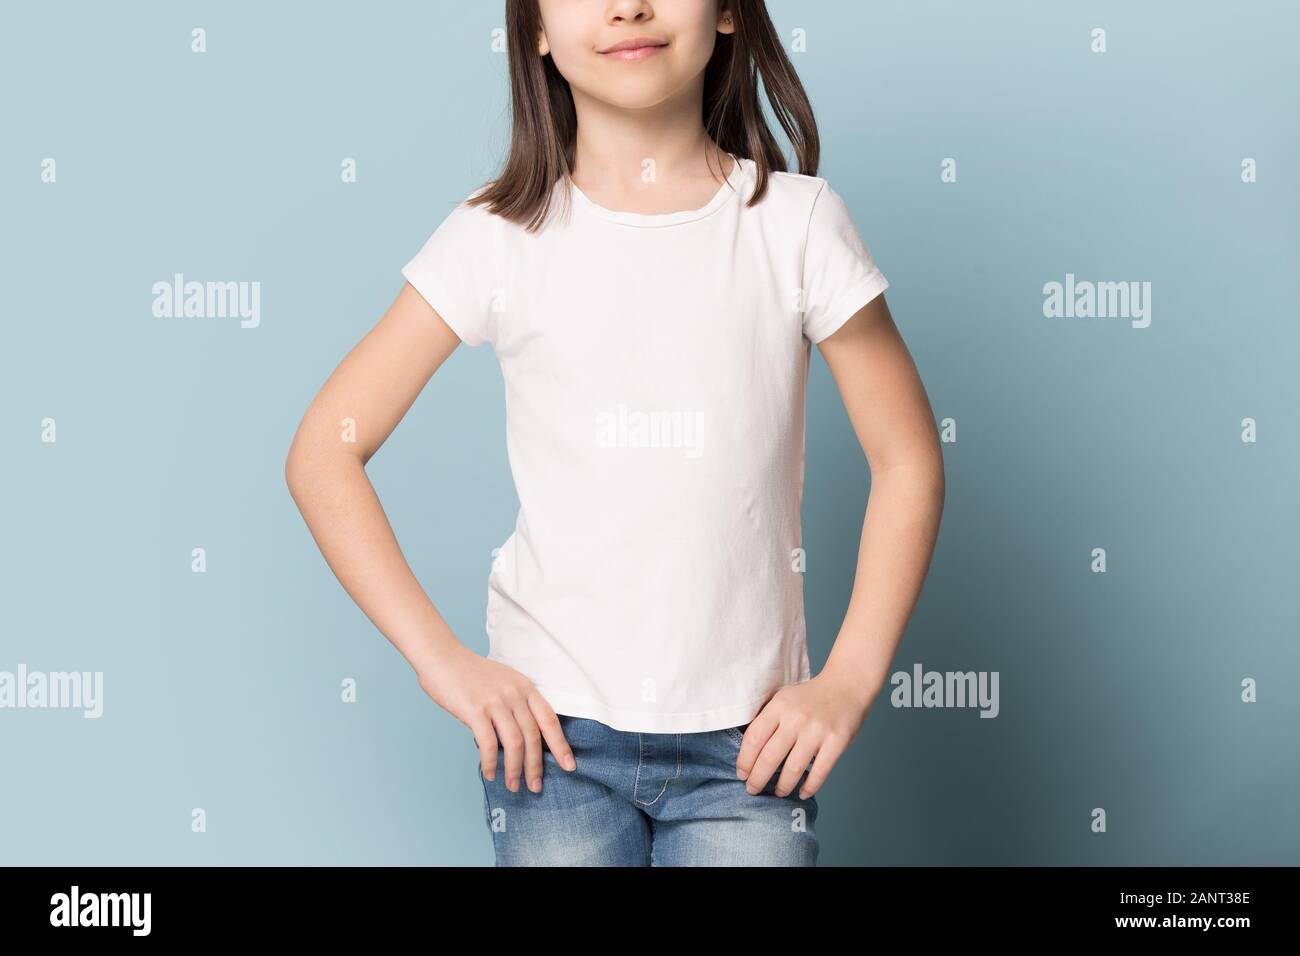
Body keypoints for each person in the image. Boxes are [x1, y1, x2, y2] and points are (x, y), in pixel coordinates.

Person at [285, 0, 944, 866]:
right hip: (553, 744)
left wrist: (853, 678)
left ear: (731, 14)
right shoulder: (495, 237)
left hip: (748, 753)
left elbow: (908, 460)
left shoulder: (797, 226)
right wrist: (442, 660)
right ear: (534, 31)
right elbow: (324, 451)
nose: (626, 5)